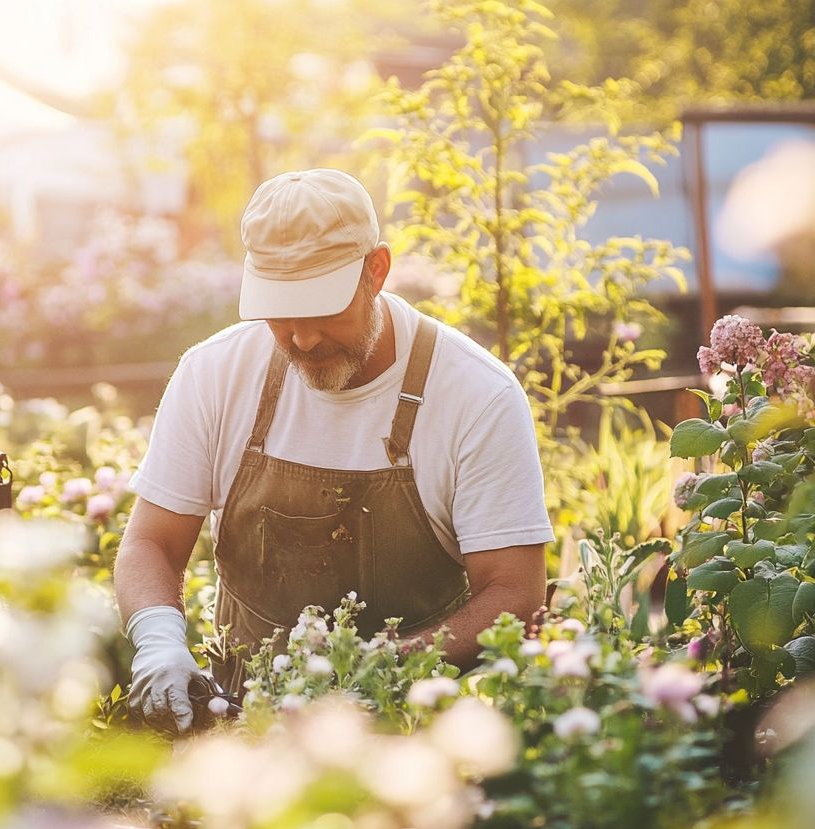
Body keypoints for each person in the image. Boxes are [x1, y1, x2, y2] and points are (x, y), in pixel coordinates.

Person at [114, 168, 554, 734]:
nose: (301, 338)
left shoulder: (475, 395)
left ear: (376, 271)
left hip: (414, 729)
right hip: (240, 724)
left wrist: (371, 677)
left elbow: (515, 590)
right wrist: (158, 641)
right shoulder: (215, 373)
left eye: (322, 310)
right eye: (279, 313)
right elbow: (151, 540)